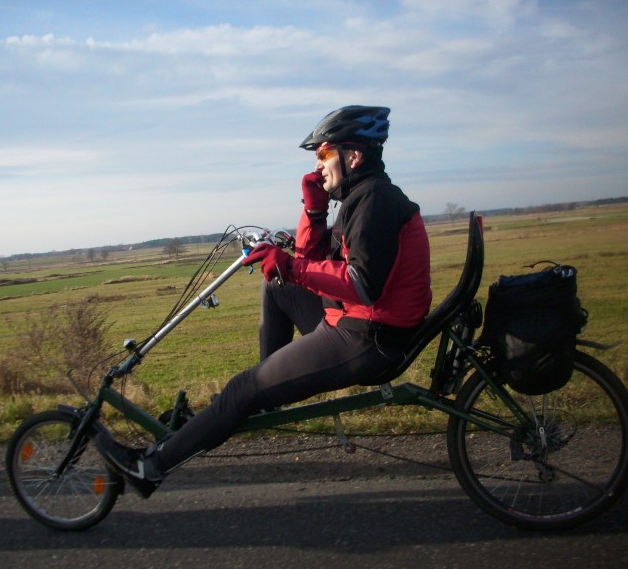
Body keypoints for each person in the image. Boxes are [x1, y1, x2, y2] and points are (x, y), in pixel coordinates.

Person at [96, 105, 432, 497]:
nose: (318, 164)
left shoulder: (374, 201)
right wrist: (313, 209)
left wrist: (290, 267)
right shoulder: (362, 196)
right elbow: (312, 259)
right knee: (277, 288)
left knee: (242, 389)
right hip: (360, 322)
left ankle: (148, 468)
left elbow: (361, 284)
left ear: (353, 156)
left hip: (367, 338)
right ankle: (265, 395)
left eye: (324, 154)